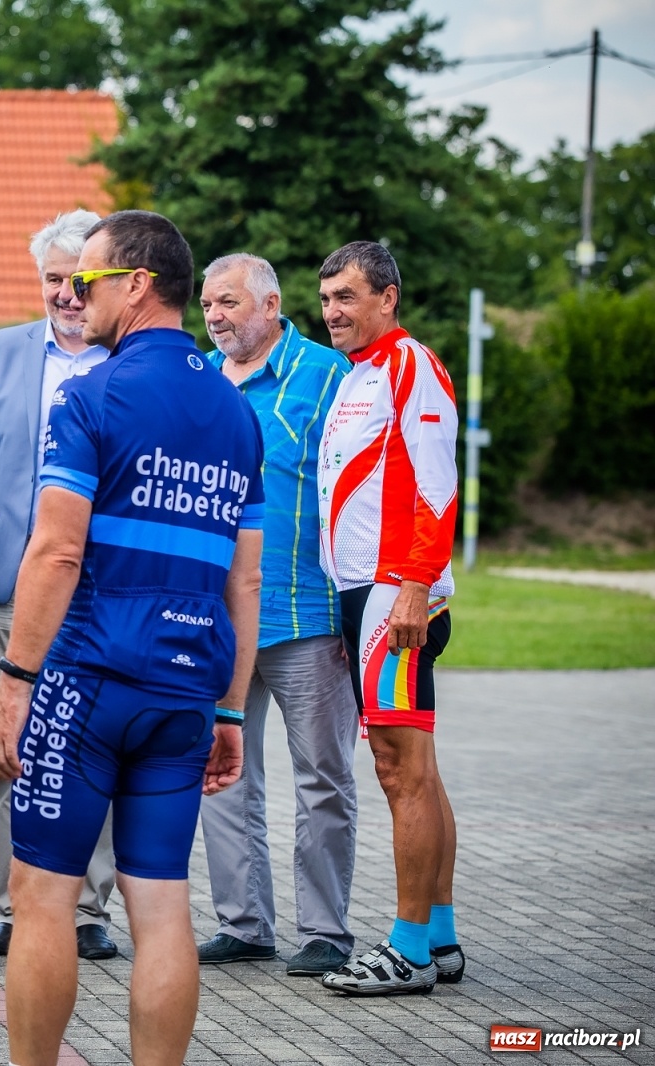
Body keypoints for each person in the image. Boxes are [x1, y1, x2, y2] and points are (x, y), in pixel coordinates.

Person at [0, 210, 264, 1066]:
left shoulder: (90, 395)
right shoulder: (235, 410)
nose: (72, 293)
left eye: (88, 279)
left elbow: (58, 550)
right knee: (163, 905)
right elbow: (241, 581)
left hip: (87, 682)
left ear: (136, 284)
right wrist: (231, 713)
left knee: (41, 896)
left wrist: (14, 684)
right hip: (186, 687)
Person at [0, 210, 120, 961]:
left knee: (91, 745)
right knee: (10, 739)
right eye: (54, 280)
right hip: (12, 583)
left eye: (80, 281)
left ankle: (87, 911)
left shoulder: (129, 358)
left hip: (106, 584)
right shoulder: (1, 351)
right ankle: (15, 908)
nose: (67, 295)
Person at [194, 254, 362, 978]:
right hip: (214, 619)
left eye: (227, 302)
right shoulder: (197, 379)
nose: (214, 317)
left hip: (305, 612)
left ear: (270, 304)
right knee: (221, 773)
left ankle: (325, 928)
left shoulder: (328, 377)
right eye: (205, 305)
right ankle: (243, 923)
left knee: (323, 775)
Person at [314, 241, 463, 997]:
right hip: (362, 593)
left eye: (348, 296)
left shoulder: (411, 365)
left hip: (393, 596)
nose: (334, 311)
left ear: (388, 298)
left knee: (399, 770)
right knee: (419, 769)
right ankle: (437, 935)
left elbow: (438, 489)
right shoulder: (356, 376)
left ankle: (405, 950)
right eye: (327, 298)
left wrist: (411, 589)